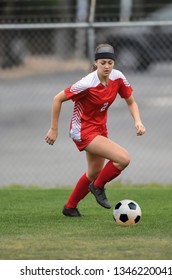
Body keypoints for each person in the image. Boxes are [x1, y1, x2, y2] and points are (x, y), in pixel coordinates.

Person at [45, 43, 146, 217]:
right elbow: (57, 99)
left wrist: (138, 121)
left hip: (99, 128)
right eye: (103, 63)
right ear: (96, 63)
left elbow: (131, 101)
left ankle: (70, 207)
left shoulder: (118, 77)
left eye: (110, 62)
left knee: (94, 172)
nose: (107, 66)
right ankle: (98, 187)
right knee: (123, 159)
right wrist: (54, 129)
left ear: (114, 62)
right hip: (82, 130)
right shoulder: (87, 83)